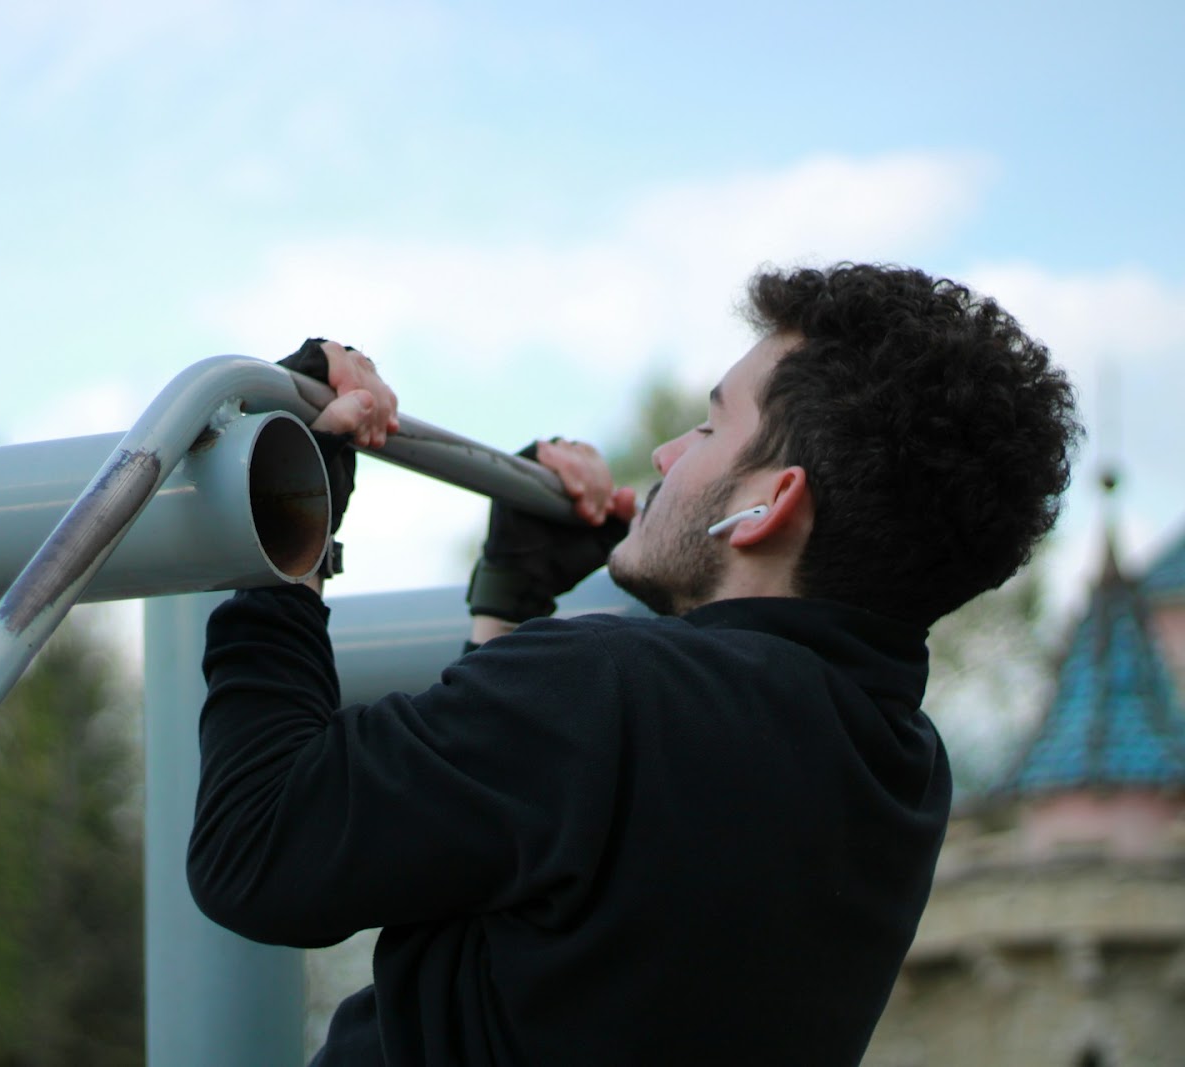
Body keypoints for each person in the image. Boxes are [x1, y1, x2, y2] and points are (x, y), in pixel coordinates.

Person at [186, 263, 1083, 1065]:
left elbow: (256, 847)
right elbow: (545, 885)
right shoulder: (899, 767)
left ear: (771, 502)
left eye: (708, 427)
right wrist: (511, 598)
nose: (664, 456)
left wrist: (287, 528)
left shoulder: (609, 690)